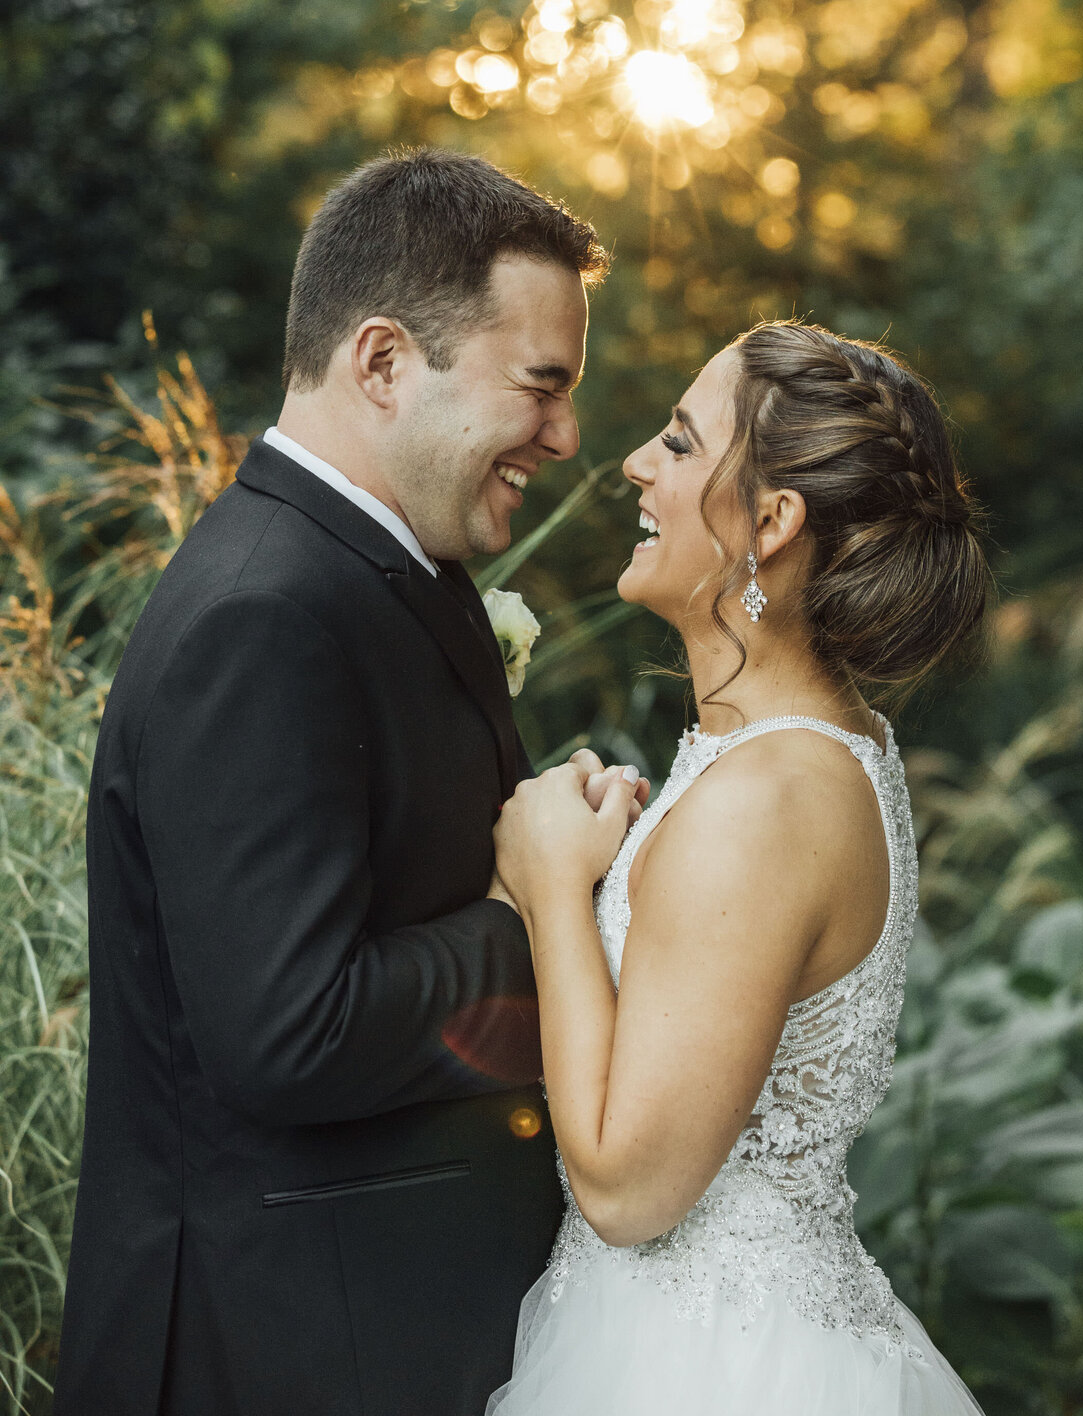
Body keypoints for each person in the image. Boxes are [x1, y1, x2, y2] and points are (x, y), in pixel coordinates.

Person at [54, 147, 648, 1416]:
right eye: (541, 386)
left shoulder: (386, 566)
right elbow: (292, 1032)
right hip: (270, 1351)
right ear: (383, 363)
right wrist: (534, 912)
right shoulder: (260, 614)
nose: (567, 434)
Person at [487, 321, 993, 1416]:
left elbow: (628, 1190)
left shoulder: (766, 798)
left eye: (676, 442)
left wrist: (550, 888)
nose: (634, 464)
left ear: (769, 522)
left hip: (707, 1369)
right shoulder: (810, 753)